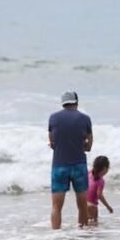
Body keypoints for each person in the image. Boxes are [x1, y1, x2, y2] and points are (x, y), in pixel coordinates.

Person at [47, 91, 93, 229]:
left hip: (59, 165)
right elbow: (89, 146)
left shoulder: (53, 118)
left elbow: (52, 142)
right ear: (76, 102)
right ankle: (82, 234)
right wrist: (80, 146)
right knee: (82, 205)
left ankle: (56, 234)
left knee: (56, 207)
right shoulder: (85, 118)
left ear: (63, 103)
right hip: (79, 165)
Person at [86, 155, 114, 226]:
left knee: (85, 225)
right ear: (105, 168)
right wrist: (108, 207)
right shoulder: (100, 181)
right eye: (108, 168)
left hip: (84, 203)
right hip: (92, 206)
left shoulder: (89, 173)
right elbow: (99, 195)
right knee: (94, 227)